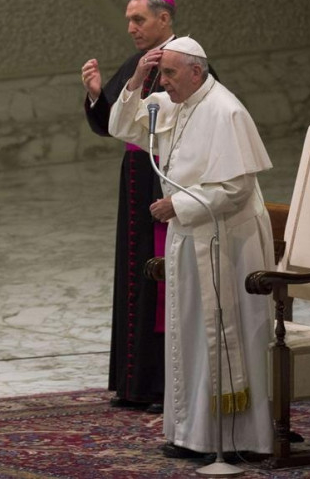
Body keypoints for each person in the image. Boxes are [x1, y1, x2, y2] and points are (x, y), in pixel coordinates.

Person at [107, 37, 274, 459]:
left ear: (196, 72)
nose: (162, 82)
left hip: (227, 241)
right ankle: (192, 435)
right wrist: (137, 79)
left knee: (222, 338)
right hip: (190, 235)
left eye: (169, 73)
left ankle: (238, 439)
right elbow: (121, 126)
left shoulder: (225, 111)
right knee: (190, 336)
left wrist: (177, 205)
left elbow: (236, 187)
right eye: (160, 74)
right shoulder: (173, 105)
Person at [80, 0, 177, 413]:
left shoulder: (186, 61)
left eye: (139, 19)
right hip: (136, 178)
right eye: (128, 21)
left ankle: (163, 385)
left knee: (161, 280)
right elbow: (110, 124)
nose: (131, 28)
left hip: (167, 177)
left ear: (164, 19)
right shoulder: (136, 63)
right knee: (136, 273)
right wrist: (96, 94)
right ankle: (134, 383)